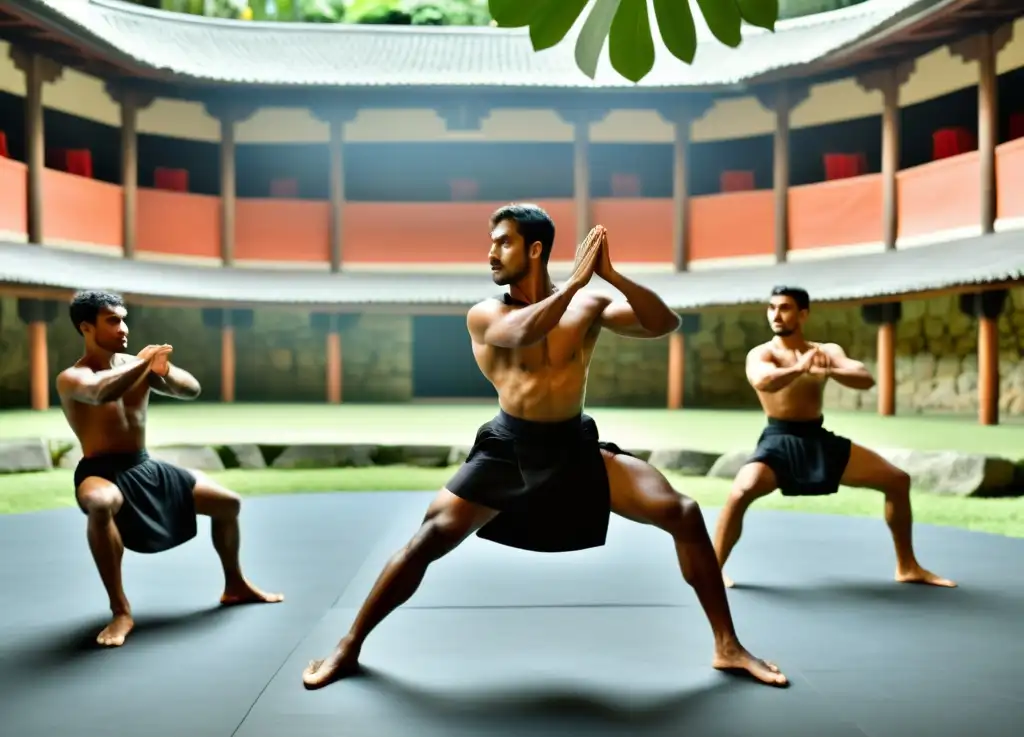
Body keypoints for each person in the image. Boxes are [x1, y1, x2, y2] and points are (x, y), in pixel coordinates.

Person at [303, 204, 788, 691]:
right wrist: (577, 285)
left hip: (573, 443)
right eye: (491, 242)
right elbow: (522, 332)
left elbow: (663, 322)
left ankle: (727, 645)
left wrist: (612, 276)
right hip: (510, 448)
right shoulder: (486, 313)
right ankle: (348, 646)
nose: (491, 253)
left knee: (682, 512)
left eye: (504, 242)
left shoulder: (587, 306)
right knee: (429, 537)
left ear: (535, 249)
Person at [56, 290, 283, 648]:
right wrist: (141, 365)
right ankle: (121, 611)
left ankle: (235, 585)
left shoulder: (135, 365)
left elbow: (190, 390)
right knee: (101, 505)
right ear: (86, 327)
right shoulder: (73, 377)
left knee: (228, 503)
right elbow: (101, 394)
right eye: (112, 320)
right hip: (101, 470)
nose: (123, 328)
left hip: (143, 465)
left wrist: (167, 371)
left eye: (123, 318)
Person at [712, 285, 956, 589]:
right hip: (778, 438)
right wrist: (800, 368)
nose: (776, 314)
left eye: (785, 308)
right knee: (740, 493)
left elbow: (864, 377)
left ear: (803, 314)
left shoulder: (825, 351)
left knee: (897, 480)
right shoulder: (763, 353)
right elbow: (764, 381)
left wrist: (830, 371)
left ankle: (907, 566)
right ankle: (712, 571)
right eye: (772, 308)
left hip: (817, 437)